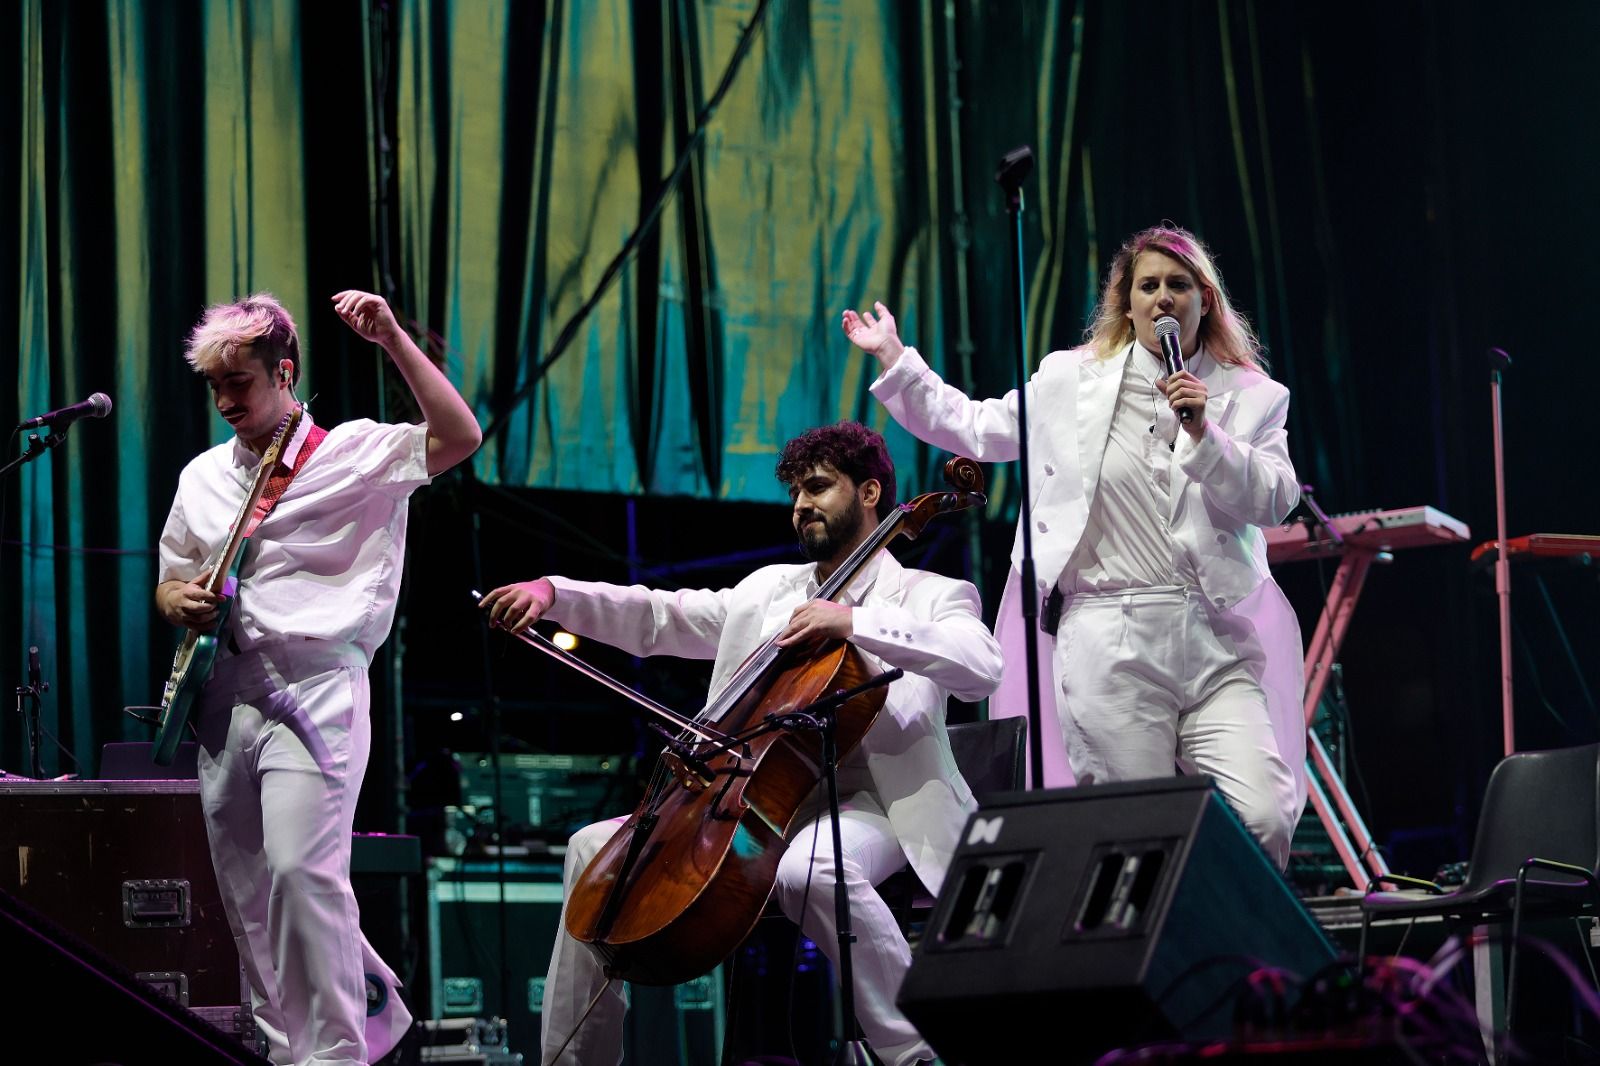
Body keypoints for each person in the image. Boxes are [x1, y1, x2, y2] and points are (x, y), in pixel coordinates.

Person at [480, 421, 1002, 1066]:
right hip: (755, 797)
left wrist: (853, 621)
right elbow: (657, 615)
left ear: (871, 492)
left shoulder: (931, 595)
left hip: (877, 803)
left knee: (814, 869)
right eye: (794, 493)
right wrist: (556, 594)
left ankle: (916, 1051)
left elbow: (981, 667)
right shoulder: (769, 592)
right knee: (591, 849)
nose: (800, 505)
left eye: (818, 487)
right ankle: (573, 1061)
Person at [842, 224, 1306, 868]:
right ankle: (1156, 961)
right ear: (1128, 302)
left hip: (1213, 635)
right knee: (1135, 837)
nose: (1163, 299)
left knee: (1264, 815)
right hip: (1109, 635)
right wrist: (898, 361)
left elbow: (1277, 497)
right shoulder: (1069, 382)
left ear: (1206, 300)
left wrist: (1207, 434)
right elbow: (974, 426)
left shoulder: (1252, 397)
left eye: (1179, 285)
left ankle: (1234, 956)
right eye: (1149, 286)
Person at [156, 291, 482, 1065]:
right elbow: (170, 581)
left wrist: (394, 338)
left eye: (241, 382)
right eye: (215, 388)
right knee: (251, 899)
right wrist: (182, 600)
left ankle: (338, 1053)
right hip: (223, 695)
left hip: (316, 683)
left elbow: (460, 436)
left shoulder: (355, 453)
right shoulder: (201, 476)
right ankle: (291, 1048)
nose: (226, 400)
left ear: (285, 372)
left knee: (304, 875)